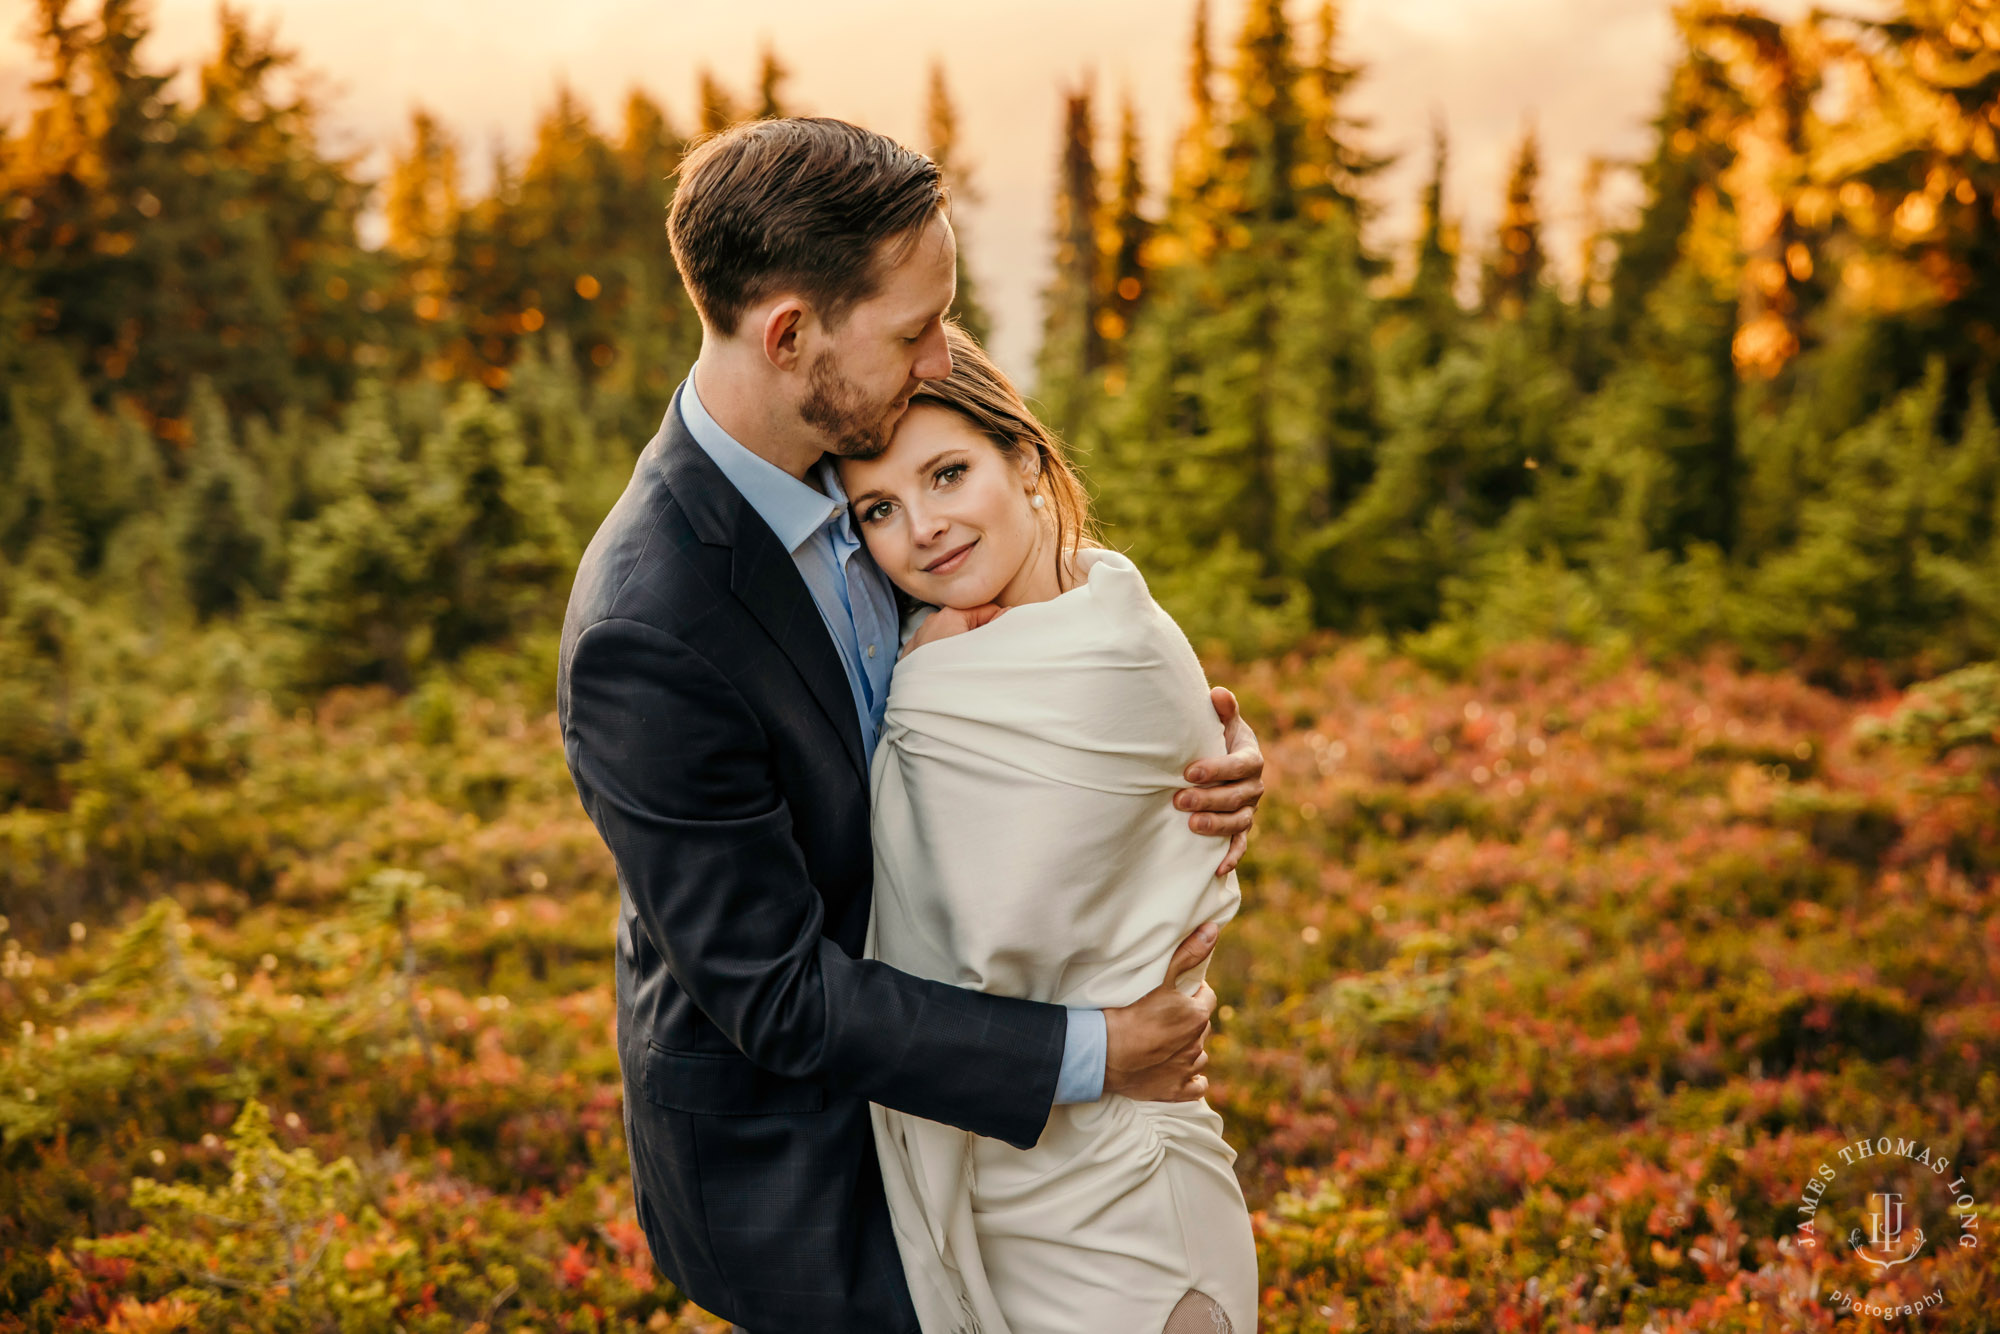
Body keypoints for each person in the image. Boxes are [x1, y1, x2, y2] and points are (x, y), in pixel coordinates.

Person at [556, 117, 1265, 1334]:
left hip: (977, 1108)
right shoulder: (650, 624)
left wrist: (1177, 769)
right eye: (911, 328)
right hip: (808, 1164)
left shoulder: (865, 470)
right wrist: (1095, 1050)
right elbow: (773, 992)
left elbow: (1029, 686)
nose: (943, 354)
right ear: (790, 336)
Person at [841, 324, 1258, 1334]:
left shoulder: (1117, 632)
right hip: (997, 1156)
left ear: (1024, 457)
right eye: (880, 510)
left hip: (1118, 1176)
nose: (925, 527)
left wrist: (917, 700)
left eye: (949, 473)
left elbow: (1004, 925)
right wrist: (919, 686)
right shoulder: (919, 657)